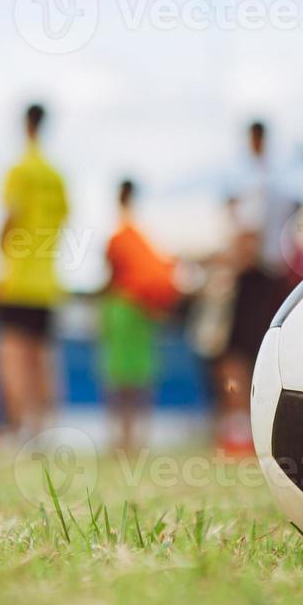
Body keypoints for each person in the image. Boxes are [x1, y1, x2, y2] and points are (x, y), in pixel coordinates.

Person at [0, 103, 69, 443]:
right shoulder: (56, 177)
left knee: (12, 359)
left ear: (25, 125)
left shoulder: (19, 171)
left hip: (18, 280)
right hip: (48, 281)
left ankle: (20, 429)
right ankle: (45, 428)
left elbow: (10, 219)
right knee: (44, 360)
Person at [217, 119, 293, 455]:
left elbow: (250, 235)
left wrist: (226, 267)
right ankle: (258, 428)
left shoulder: (255, 180)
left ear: (253, 139)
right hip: (273, 276)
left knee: (235, 355)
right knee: (261, 352)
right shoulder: (279, 180)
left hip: (253, 276)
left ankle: (239, 429)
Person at [100, 179, 178, 453]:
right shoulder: (144, 235)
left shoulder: (119, 235)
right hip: (144, 312)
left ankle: (120, 439)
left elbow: (110, 274)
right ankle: (139, 439)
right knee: (140, 377)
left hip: (121, 308)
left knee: (118, 378)